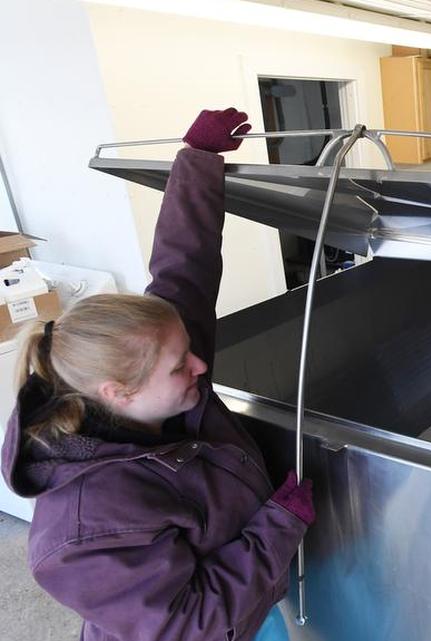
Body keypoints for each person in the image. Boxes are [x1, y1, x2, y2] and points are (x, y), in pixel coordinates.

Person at [1, 108, 315, 641]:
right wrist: (278, 526)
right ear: (118, 392)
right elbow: (188, 627)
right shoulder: (83, 530)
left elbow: (183, 268)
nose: (199, 365)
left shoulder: (146, 363)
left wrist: (198, 158)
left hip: (253, 607)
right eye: (180, 367)